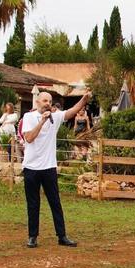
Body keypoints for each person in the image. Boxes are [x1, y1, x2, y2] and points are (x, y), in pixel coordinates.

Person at [20, 90, 83, 248]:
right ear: (37, 102)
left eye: (49, 101)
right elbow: (29, 138)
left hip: (49, 167)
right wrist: (42, 121)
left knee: (55, 203)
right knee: (33, 204)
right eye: (45, 101)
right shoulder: (28, 117)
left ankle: (62, 236)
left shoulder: (55, 117)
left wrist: (85, 98)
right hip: (31, 168)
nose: (48, 103)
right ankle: (32, 237)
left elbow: (72, 111)